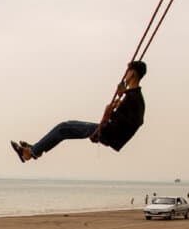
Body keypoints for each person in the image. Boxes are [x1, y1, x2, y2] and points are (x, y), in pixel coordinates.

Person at [11, 61, 147, 162]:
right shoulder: (132, 95)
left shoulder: (134, 97)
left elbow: (134, 122)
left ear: (133, 73)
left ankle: (31, 152)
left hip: (109, 133)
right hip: (110, 132)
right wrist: (119, 101)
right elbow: (127, 117)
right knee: (66, 127)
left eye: (127, 71)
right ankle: (37, 149)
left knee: (64, 127)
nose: (125, 75)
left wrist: (110, 114)